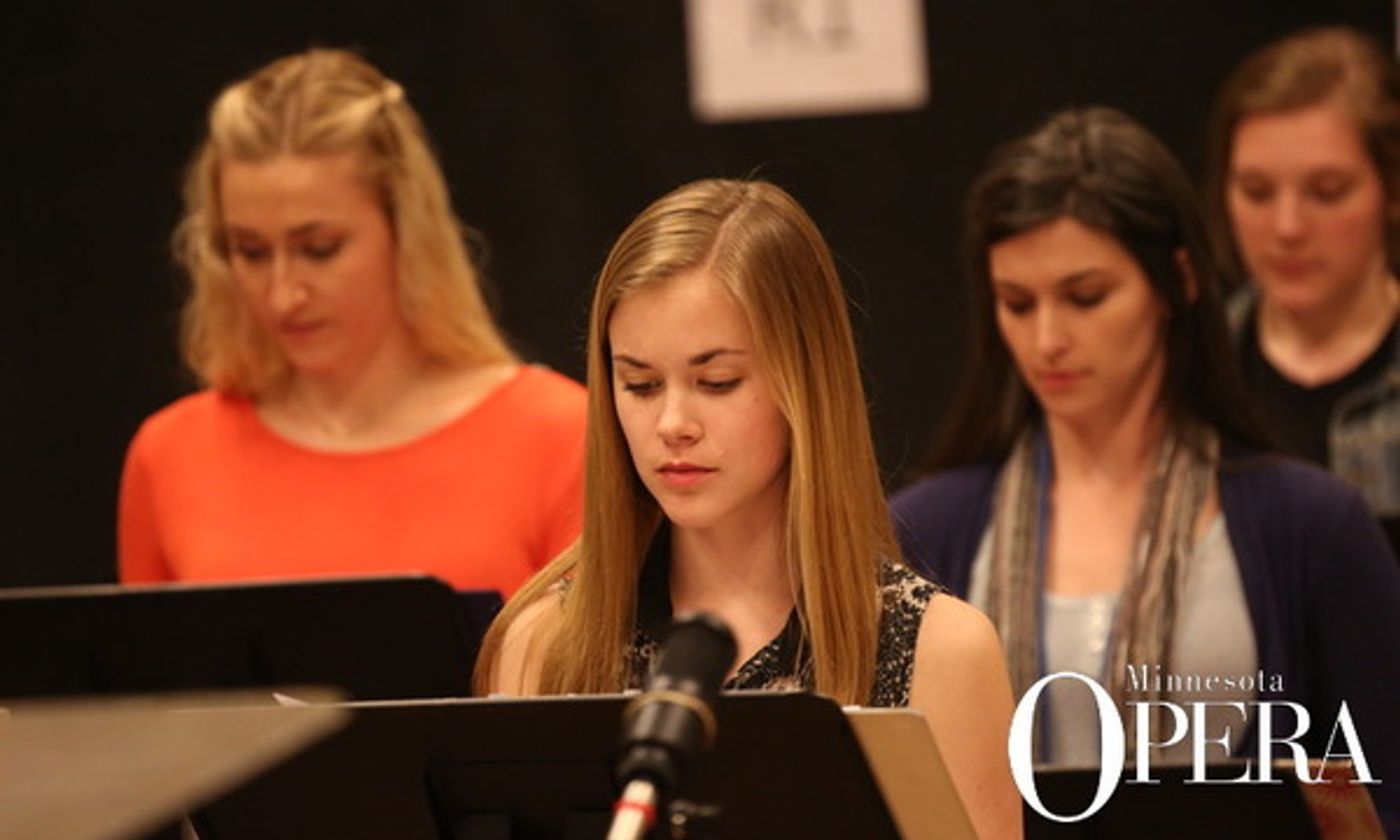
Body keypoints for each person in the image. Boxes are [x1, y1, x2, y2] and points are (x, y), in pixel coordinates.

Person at [892, 107, 1400, 829]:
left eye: (1086, 297)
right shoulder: (925, 529)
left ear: (1178, 281)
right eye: (1016, 302)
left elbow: (1388, 791)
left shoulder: (1313, 523)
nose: (1047, 339)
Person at [474, 178, 1021, 838]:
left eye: (717, 382)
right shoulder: (544, 643)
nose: (673, 422)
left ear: (804, 383)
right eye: (640, 384)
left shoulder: (942, 653)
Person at [118, 49, 586, 596]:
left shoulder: (558, 437)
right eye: (249, 251)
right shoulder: (171, 454)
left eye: (319, 249)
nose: (284, 293)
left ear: (406, 230)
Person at [1206, 27, 1400, 530]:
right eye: (1257, 191)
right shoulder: (1191, 371)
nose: (1287, 227)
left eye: (1327, 191)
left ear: (1391, 192)